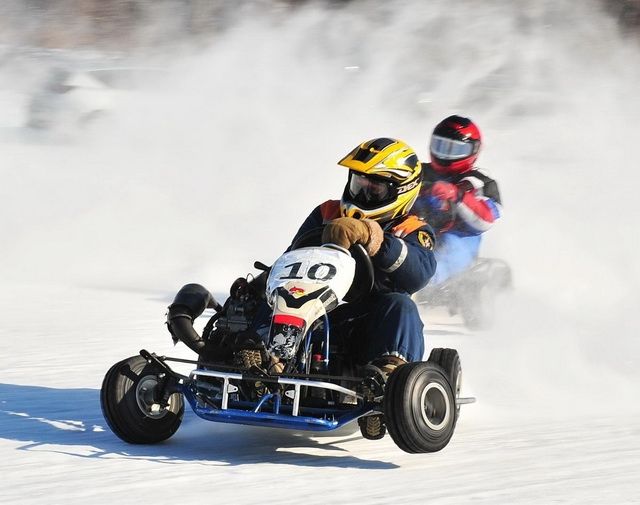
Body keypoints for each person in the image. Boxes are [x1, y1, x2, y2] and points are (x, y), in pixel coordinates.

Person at [289, 137, 437, 439]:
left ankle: (385, 384)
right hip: (315, 314)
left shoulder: (412, 229)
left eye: (375, 188)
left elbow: (419, 273)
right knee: (262, 294)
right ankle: (253, 356)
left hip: (366, 327)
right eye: (359, 182)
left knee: (400, 304)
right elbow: (293, 255)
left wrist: (373, 238)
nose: (363, 191)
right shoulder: (327, 212)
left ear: (400, 191)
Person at [412, 115, 502, 285]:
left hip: (458, 237)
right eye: (441, 146)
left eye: (454, 149)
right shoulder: (416, 171)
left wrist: (458, 195)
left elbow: (486, 219)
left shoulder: (480, 182)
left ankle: (423, 283)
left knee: (450, 245)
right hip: (414, 229)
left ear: (472, 151)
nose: (445, 155)